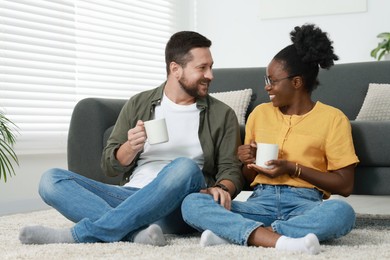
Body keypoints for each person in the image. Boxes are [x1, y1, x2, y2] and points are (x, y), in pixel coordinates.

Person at [19, 31, 244, 245]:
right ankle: (136, 234)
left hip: (179, 205)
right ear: (175, 69)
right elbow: (109, 165)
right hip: (130, 196)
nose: (210, 75)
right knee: (51, 180)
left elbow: (230, 169)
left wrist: (223, 189)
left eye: (211, 67)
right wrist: (130, 147)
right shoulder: (139, 103)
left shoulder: (222, 114)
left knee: (184, 167)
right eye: (202, 68)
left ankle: (82, 234)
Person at [181, 24, 359, 255]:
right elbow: (247, 179)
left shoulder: (333, 119)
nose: (267, 86)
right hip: (259, 201)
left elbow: (345, 185)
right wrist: (247, 162)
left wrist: (293, 168)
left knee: (341, 212)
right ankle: (281, 238)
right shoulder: (260, 114)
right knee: (192, 203)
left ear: (296, 83)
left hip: (305, 204)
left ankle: (245, 234)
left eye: (273, 81)